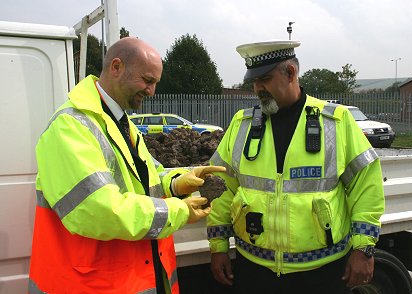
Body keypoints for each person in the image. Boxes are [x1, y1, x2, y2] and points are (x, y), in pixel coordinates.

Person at [28, 37, 225, 294]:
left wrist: (176, 182)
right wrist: (179, 211)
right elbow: (100, 210)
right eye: (147, 80)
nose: (152, 91)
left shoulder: (120, 123)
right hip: (92, 284)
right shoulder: (70, 127)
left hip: (131, 276)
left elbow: (147, 177)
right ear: (116, 67)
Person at [207, 40, 385, 293]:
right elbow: (222, 189)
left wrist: (364, 249)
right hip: (254, 270)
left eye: (265, 79)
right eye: (254, 82)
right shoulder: (242, 125)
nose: (258, 89)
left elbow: (366, 189)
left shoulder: (335, 122)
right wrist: (218, 246)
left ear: (291, 73)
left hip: (323, 273)